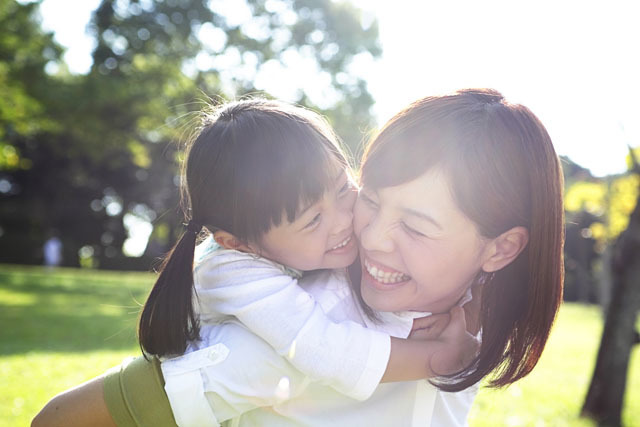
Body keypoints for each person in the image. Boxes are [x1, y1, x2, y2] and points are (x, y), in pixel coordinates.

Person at [34, 88, 564, 426]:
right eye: (373, 200)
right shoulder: (296, 334)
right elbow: (59, 420)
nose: (372, 237)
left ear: (501, 250)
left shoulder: (469, 313)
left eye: (415, 226)